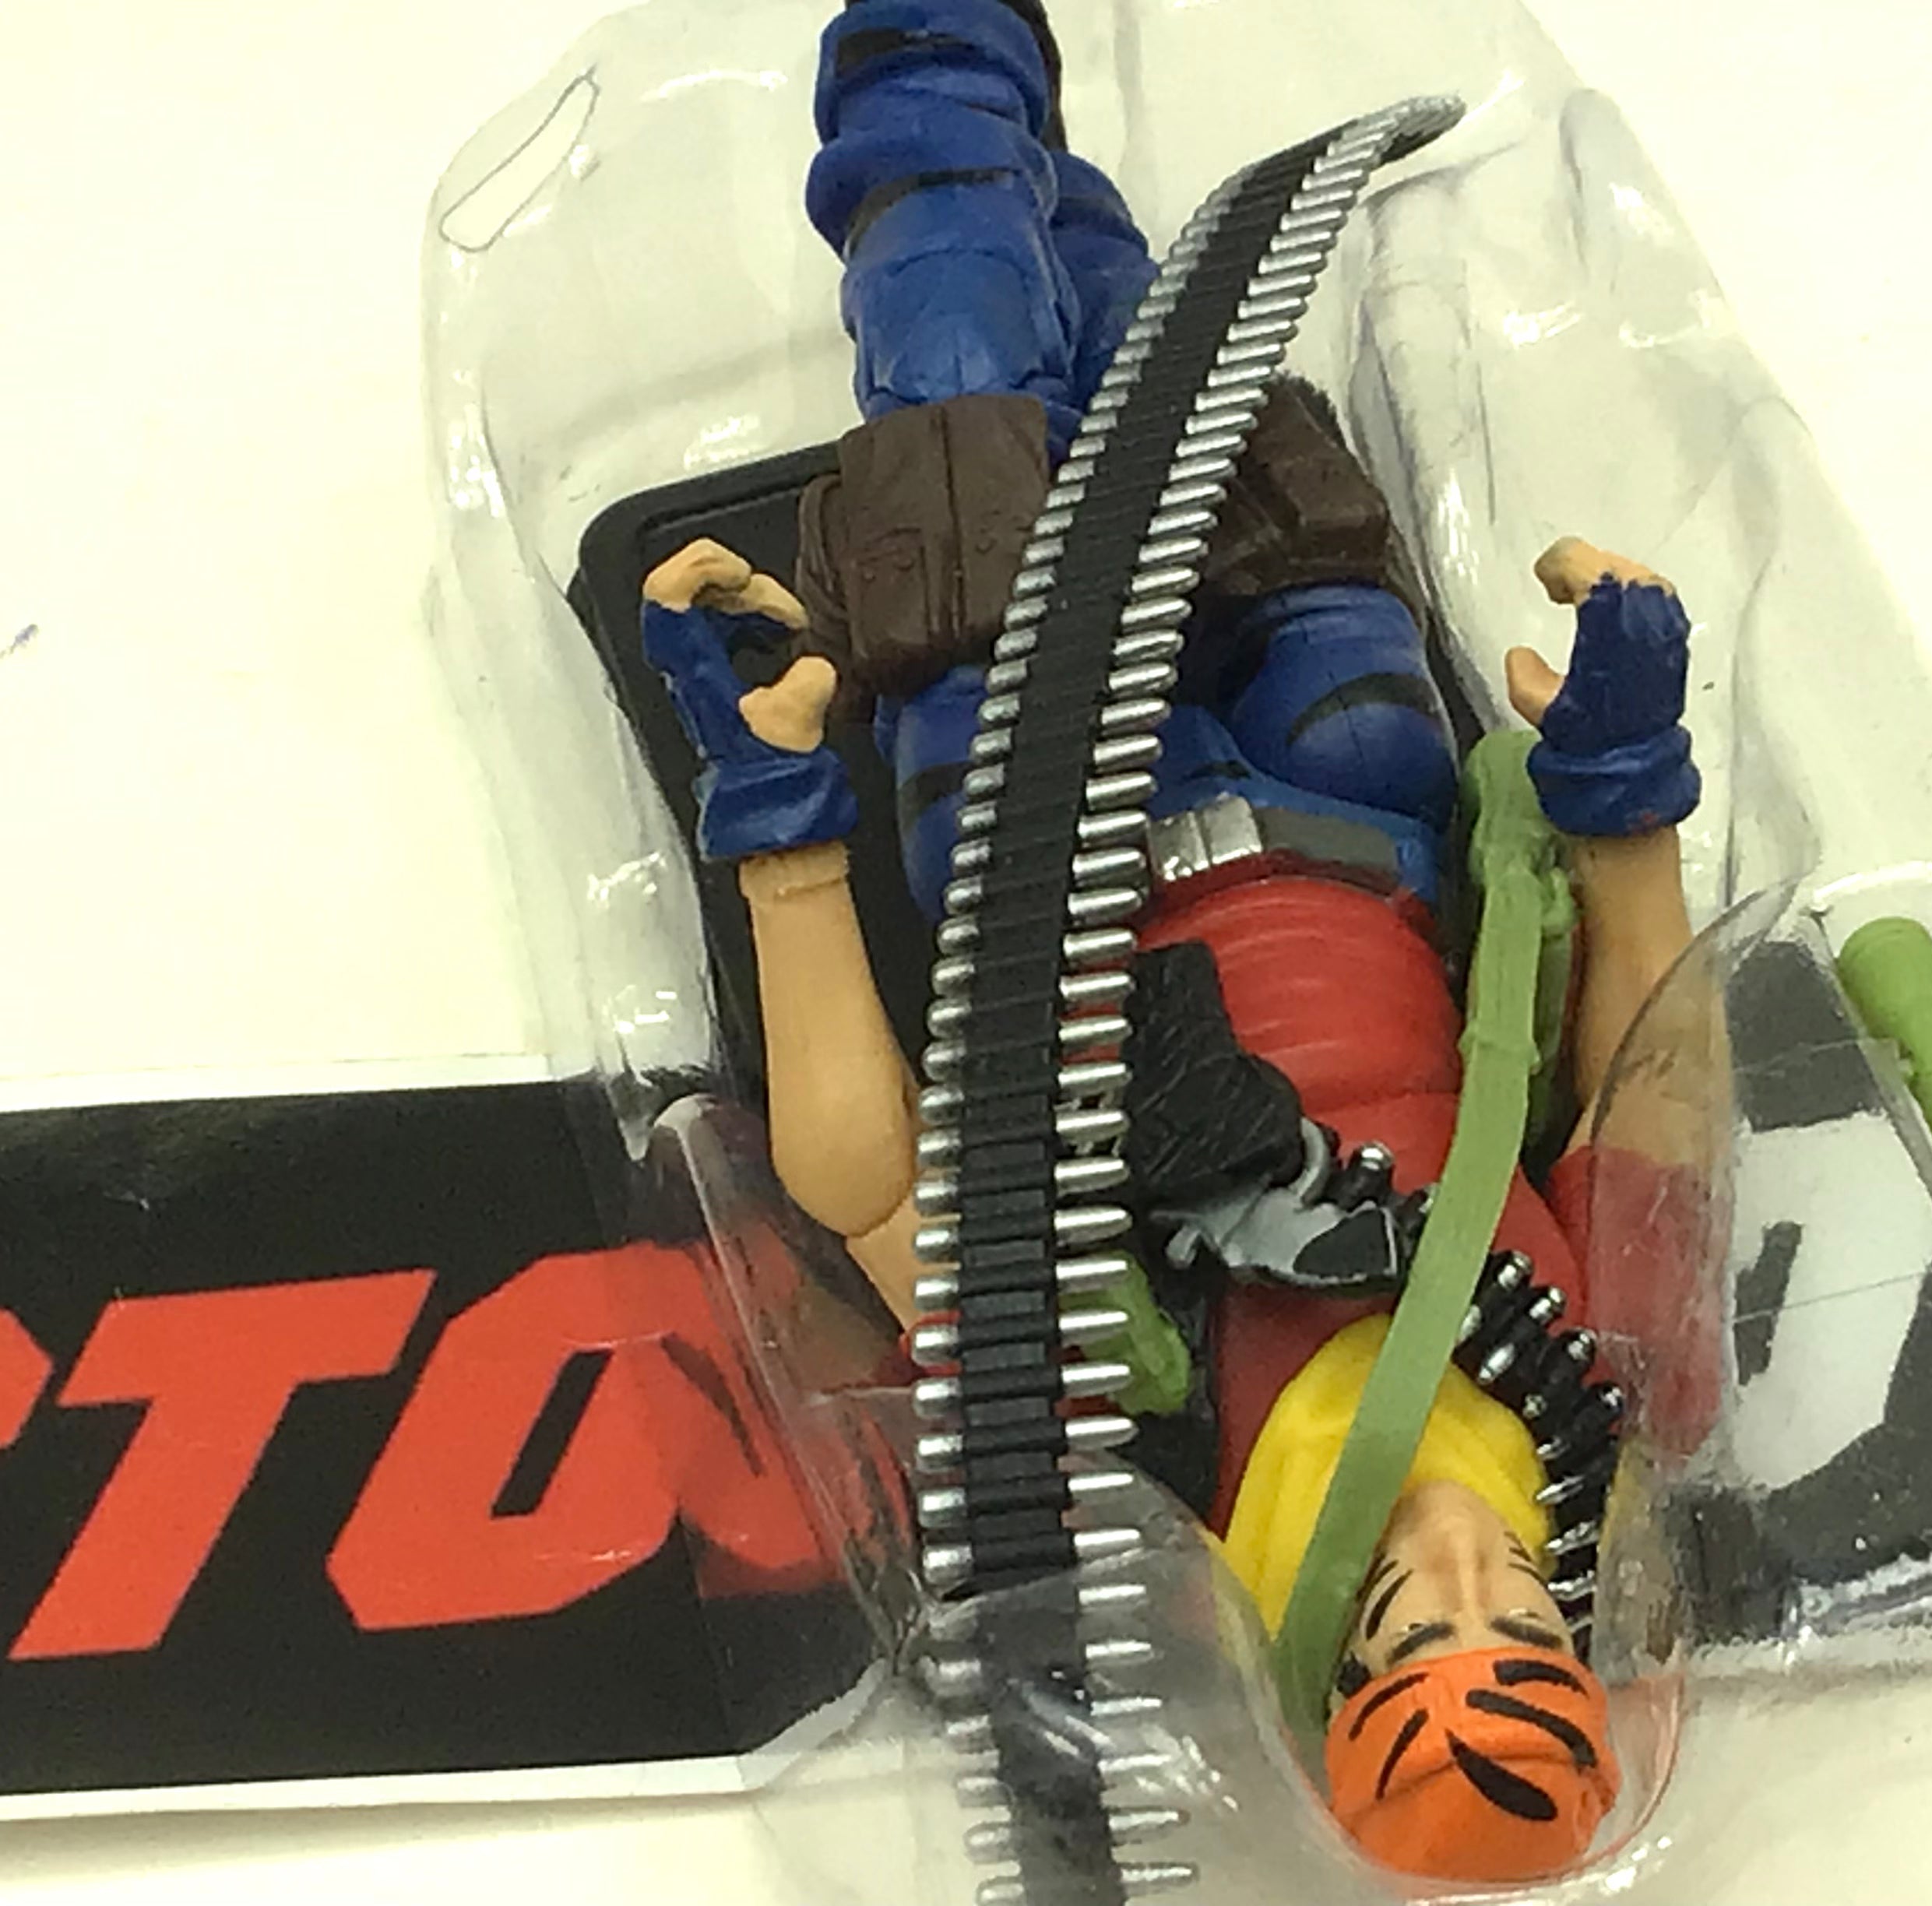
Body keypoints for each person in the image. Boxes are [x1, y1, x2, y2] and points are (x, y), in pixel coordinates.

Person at [635, 0, 1706, 1882]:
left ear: (1319, 1673)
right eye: (1520, 1627)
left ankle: (929, 60)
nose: (1463, 1570)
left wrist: (783, 847)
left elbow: (868, 1193)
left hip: (1050, 843)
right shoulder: (1617, 1405)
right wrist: (1631, 810)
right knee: (1187, 376)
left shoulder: (1145, 1444)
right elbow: (1654, 1075)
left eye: (1411, 1635)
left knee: (955, 403)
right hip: (1361, 795)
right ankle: (1047, 151)